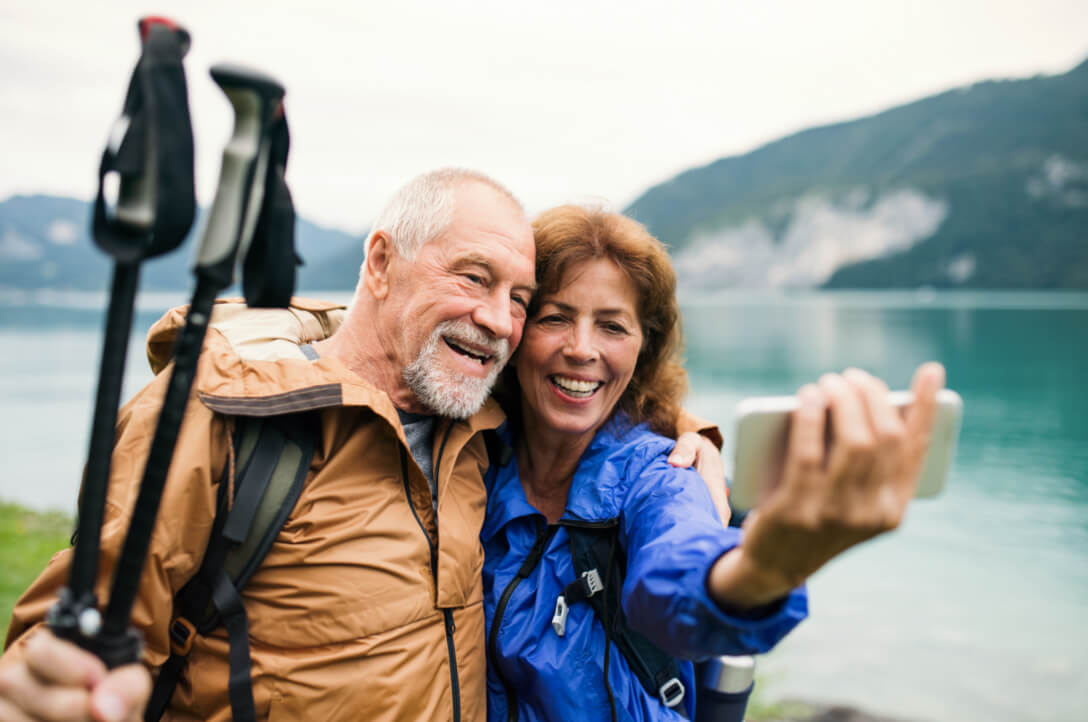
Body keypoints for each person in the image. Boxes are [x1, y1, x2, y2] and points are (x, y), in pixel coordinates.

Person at [0, 168, 539, 722]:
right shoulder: (217, 411)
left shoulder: (484, 434)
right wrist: (55, 692)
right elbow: (75, 635)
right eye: (474, 278)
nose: (499, 320)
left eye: (520, 299)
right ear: (381, 263)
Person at [481, 205, 945, 721]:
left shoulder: (665, 472)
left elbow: (677, 570)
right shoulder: (469, 456)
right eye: (555, 317)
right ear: (516, 327)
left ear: (643, 348)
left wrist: (761, 570)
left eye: (612, 326)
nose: (582, 348)